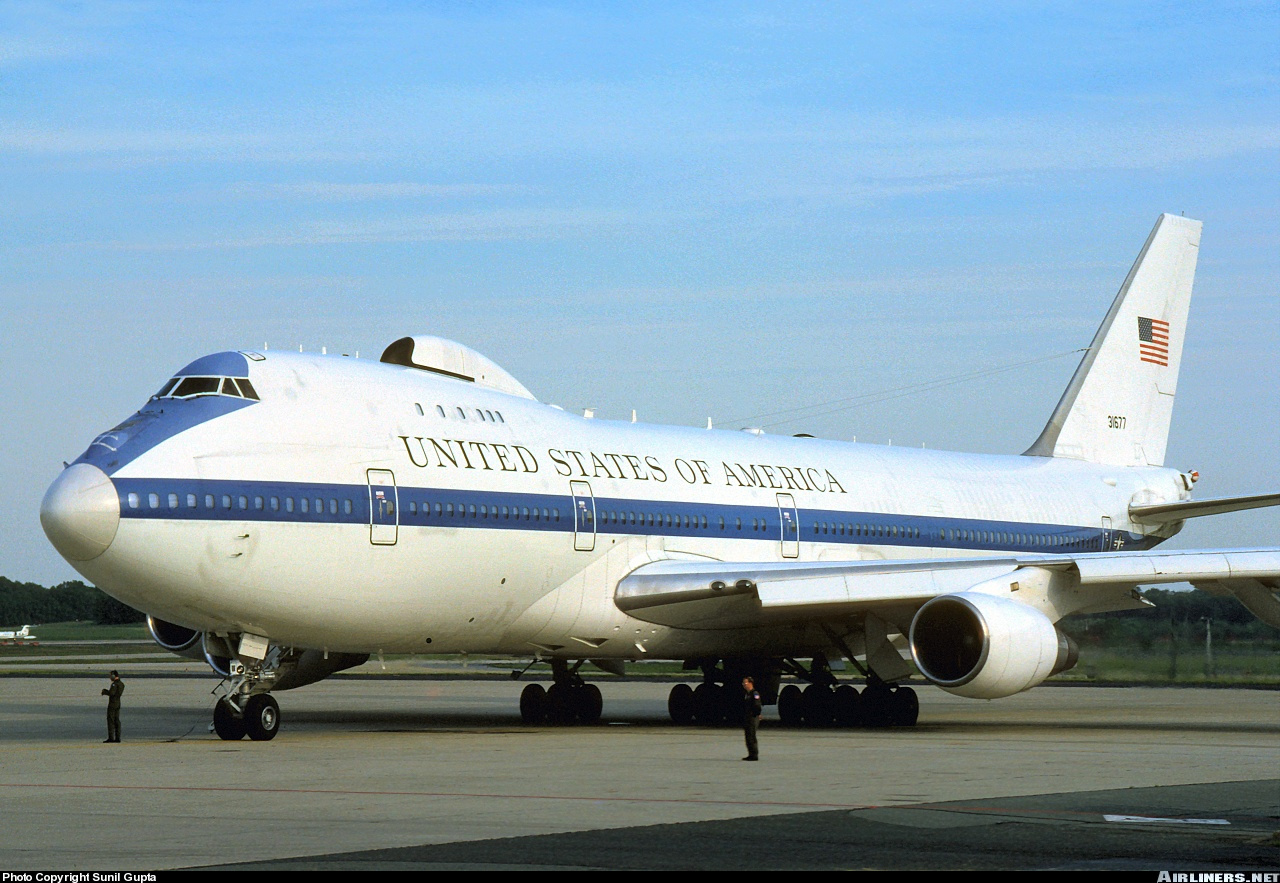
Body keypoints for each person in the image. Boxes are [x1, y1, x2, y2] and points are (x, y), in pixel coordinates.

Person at [741, 676, 761, 761]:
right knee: (748, 736)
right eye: (743, 683)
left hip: (752, 717)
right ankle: (750, 754)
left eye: (745, 683)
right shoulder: (747, 694)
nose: (744, 685)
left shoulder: (754, 693)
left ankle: (754, 755)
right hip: (748, 717)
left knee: (751, 736)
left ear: (750, 683)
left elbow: (757, 705)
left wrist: (756, 714)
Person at [101, 670, 124, 743]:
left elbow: (112, 693)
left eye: (110, 676)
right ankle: (118, 737)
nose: (110, 677)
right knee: (117, 720)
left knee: (111, 720)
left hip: (112, 704)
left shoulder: (114, 684)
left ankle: (111, 737)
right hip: (118, 703)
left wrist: (105, 691)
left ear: (114, 676)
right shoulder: (121, 684)